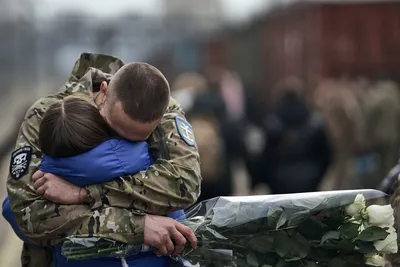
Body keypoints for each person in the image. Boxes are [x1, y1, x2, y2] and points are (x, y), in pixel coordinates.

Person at [6, 53, 201, 266]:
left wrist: (85, 194)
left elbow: (185, 185)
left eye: (138, 139)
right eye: (116, 128)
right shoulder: (47, 114)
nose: (123, 141)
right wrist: (138, 226)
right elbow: (29, 216)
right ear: (104, 91)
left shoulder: (161, 106)